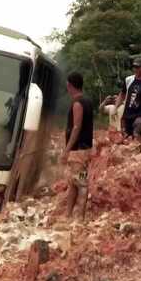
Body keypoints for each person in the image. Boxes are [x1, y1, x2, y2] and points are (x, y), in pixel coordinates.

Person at [61, 72, 93, 221]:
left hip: (78, 151)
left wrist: (66, 150)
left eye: (67, 84)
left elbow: (76, 127)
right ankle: (68, 215)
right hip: (84, 150)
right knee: (74, 182)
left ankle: (79, 218)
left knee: (81, 183)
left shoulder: (78, 103)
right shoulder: (87, 101)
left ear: (70, 85)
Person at [115, 57, 141, 141]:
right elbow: (122, 94)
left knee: (136, 133)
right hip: (128, 113)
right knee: (126, 138)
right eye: (134, 67)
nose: (136, 69)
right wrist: (115, 108)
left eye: (138, 67)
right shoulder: (129, 80)